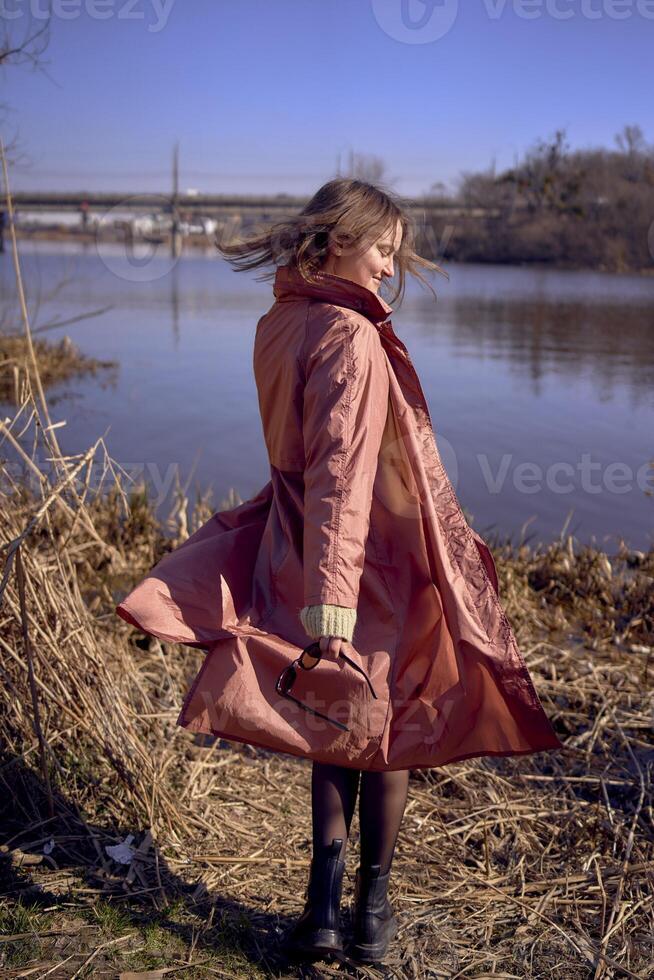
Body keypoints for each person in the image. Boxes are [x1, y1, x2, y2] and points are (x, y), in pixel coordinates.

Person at [115, 177, 563, 965]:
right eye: (383, 249)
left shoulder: (279, 323)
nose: (390, 268)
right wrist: (333, 607)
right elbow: (341, 475)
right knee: (389, 726)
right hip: (364, 560)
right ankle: (372, 915)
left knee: (335, 722)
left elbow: (306, 466)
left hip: (304, 542)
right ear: (338, 239)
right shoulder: (350, 339)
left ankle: (322, 913)